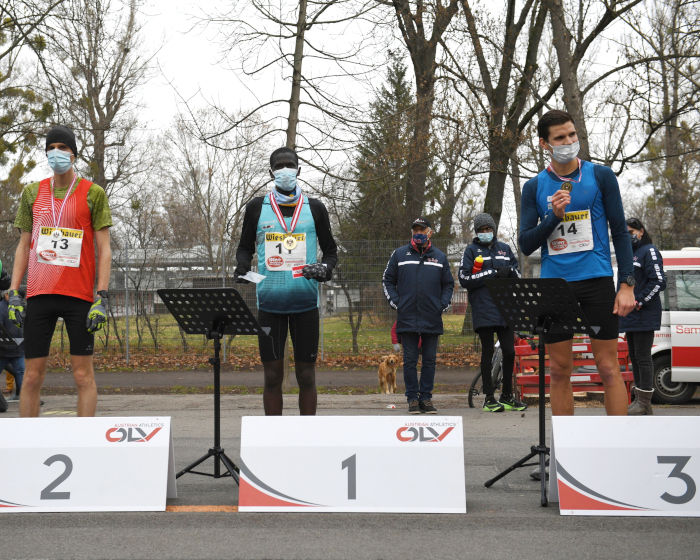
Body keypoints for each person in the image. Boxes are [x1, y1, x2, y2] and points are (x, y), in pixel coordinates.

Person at [519, 109, 635, 418]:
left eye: (572, 134)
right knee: (559, 371)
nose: (569, 141)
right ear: (545, 144)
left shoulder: (601, 175)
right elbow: (526, 244)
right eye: (560, 137)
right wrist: (552, 218)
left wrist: (626, 283)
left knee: (609, 369)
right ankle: (564, 453)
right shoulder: (534, 187)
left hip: (597, 280)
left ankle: (618, 447)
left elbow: (620, 232)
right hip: (556, 286)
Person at [8, 125, 112, 417]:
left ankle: (85, 445)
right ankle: (29, 446)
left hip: (78, 294)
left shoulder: (94, 193)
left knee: (82, 376)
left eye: (63, 147)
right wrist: (14, 291)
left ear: (74, 153)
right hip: (40, 293)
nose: (57, 153)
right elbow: (23, 245)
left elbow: (104, 250)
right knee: (31, 377)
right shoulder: (32, 192)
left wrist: (102, 296)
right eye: (51, 147)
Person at [234, 147, 337, 416]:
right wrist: (243, 265)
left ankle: (307, 439)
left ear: (298, 169)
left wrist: (326, 269)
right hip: (270, 305)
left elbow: (331, 252)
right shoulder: (257, 207)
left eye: (289, 165)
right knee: (271, 377)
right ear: (271, 172)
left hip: (305, 305)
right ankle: (273, 440)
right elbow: (244, 247)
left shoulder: (315, 208)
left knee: (306, 376)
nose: (285, 170)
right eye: (279, 166)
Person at [382, 217, 454, 414]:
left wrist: (442, 305)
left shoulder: (439, 257)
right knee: (410, 361)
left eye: (422, 229)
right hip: (407, 317)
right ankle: (413, 399)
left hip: (432, 317)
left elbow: (448, 284)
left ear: (430, 232)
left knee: (430, 361)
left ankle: (426, 399)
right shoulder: (399, 254)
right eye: (415, 230)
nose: (418, 233)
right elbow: (387, 280)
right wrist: (397, 303)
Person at [459, 213, 528, 412]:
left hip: (505, 308)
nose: (485, 233)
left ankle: (506, 395)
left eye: (488, 229)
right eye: (481, 230)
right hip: (484, 309)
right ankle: (489, 398)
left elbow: (517, 274)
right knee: (488, 353)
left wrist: (509, 272)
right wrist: (491, 273)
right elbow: (464, 278)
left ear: (493, 230)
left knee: (509, 351)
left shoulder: (505, 249)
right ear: (477, 232)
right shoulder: (471, 251)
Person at [619, 217, 666, 415]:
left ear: (641, 231)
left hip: (644, 314)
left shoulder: (650, 251)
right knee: (635, 358)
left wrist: (639, 302)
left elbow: (658, 282)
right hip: (630, 316)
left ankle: (645, 402)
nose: (629, 235)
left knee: (644, 357)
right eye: (626, 232)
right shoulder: (630, 253)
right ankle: (639, 400)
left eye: (632, 232)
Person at [0, 289, 25, 403]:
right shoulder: (1, 308)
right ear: (6, 295)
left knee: (21, 371)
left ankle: (26, 396)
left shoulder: (20, 308)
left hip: (18, 349)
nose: (18, 298)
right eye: (16, 296)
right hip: (3, 350)